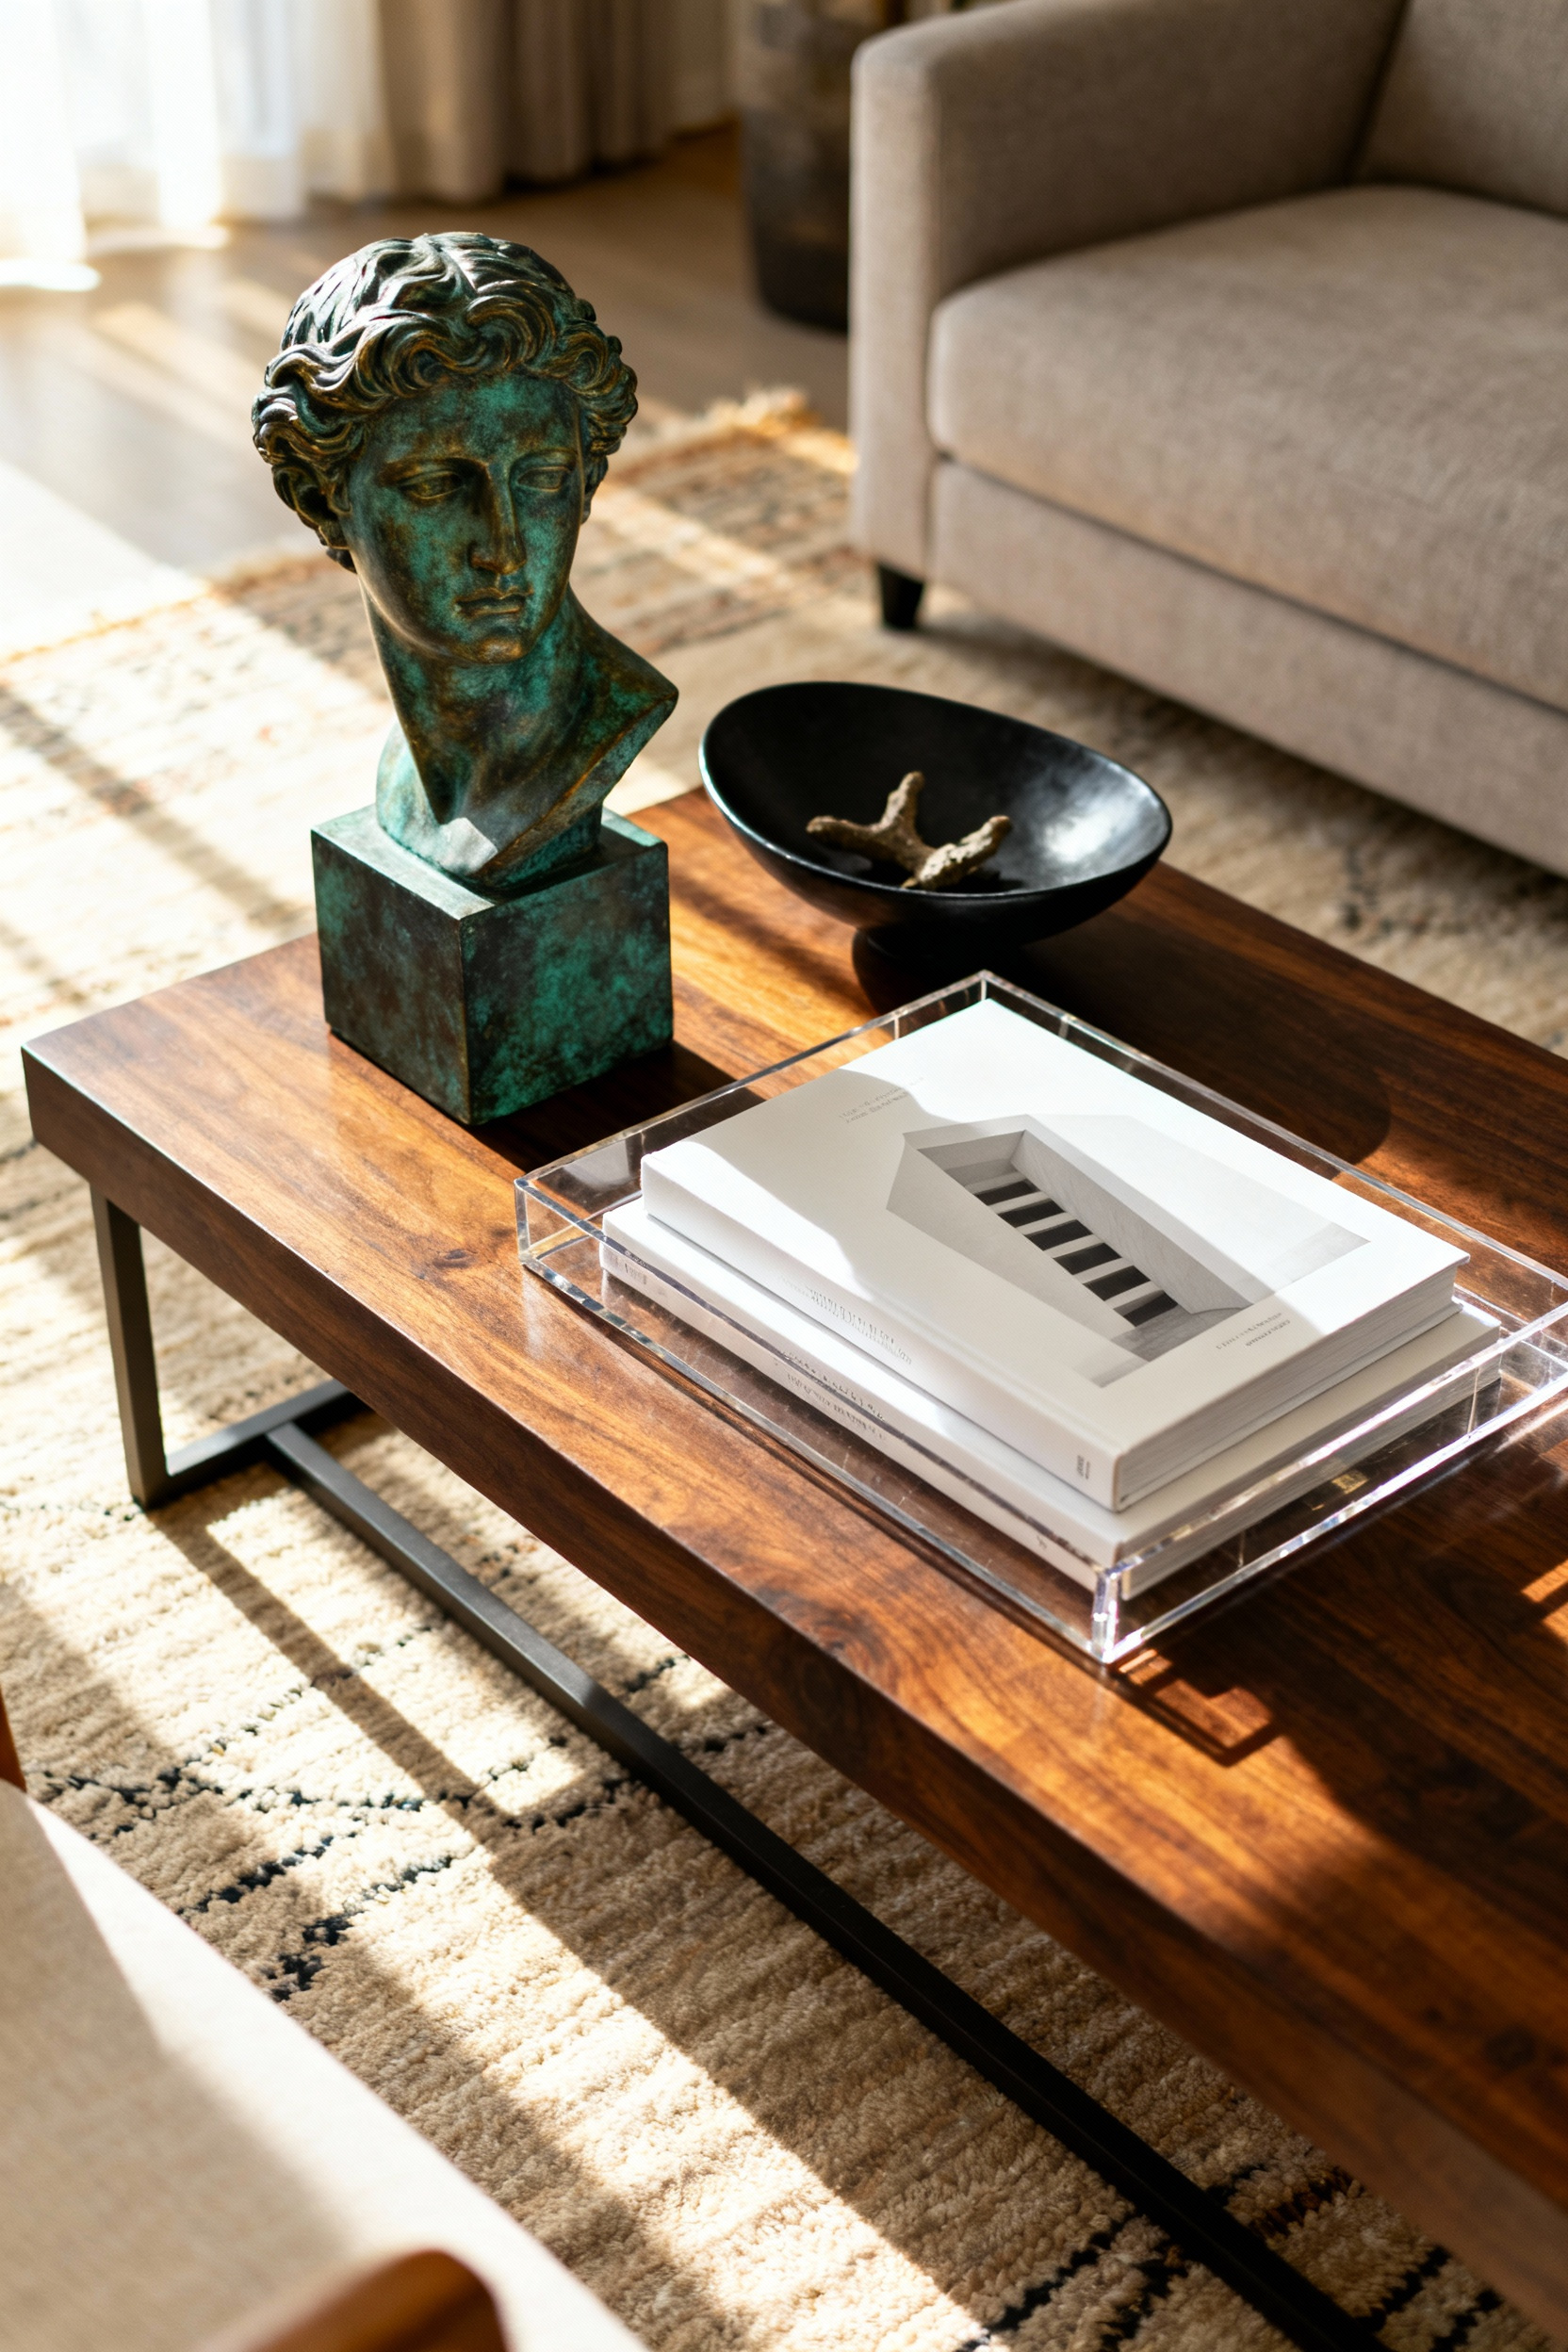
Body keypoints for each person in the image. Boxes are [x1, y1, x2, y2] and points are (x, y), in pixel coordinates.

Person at [253, 232, 677, 893]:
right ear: (321, 500)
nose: (502, 549)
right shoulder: (409, 770)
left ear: (586, 482)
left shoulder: (602, 721)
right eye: (435, 487)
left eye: (540, 481)